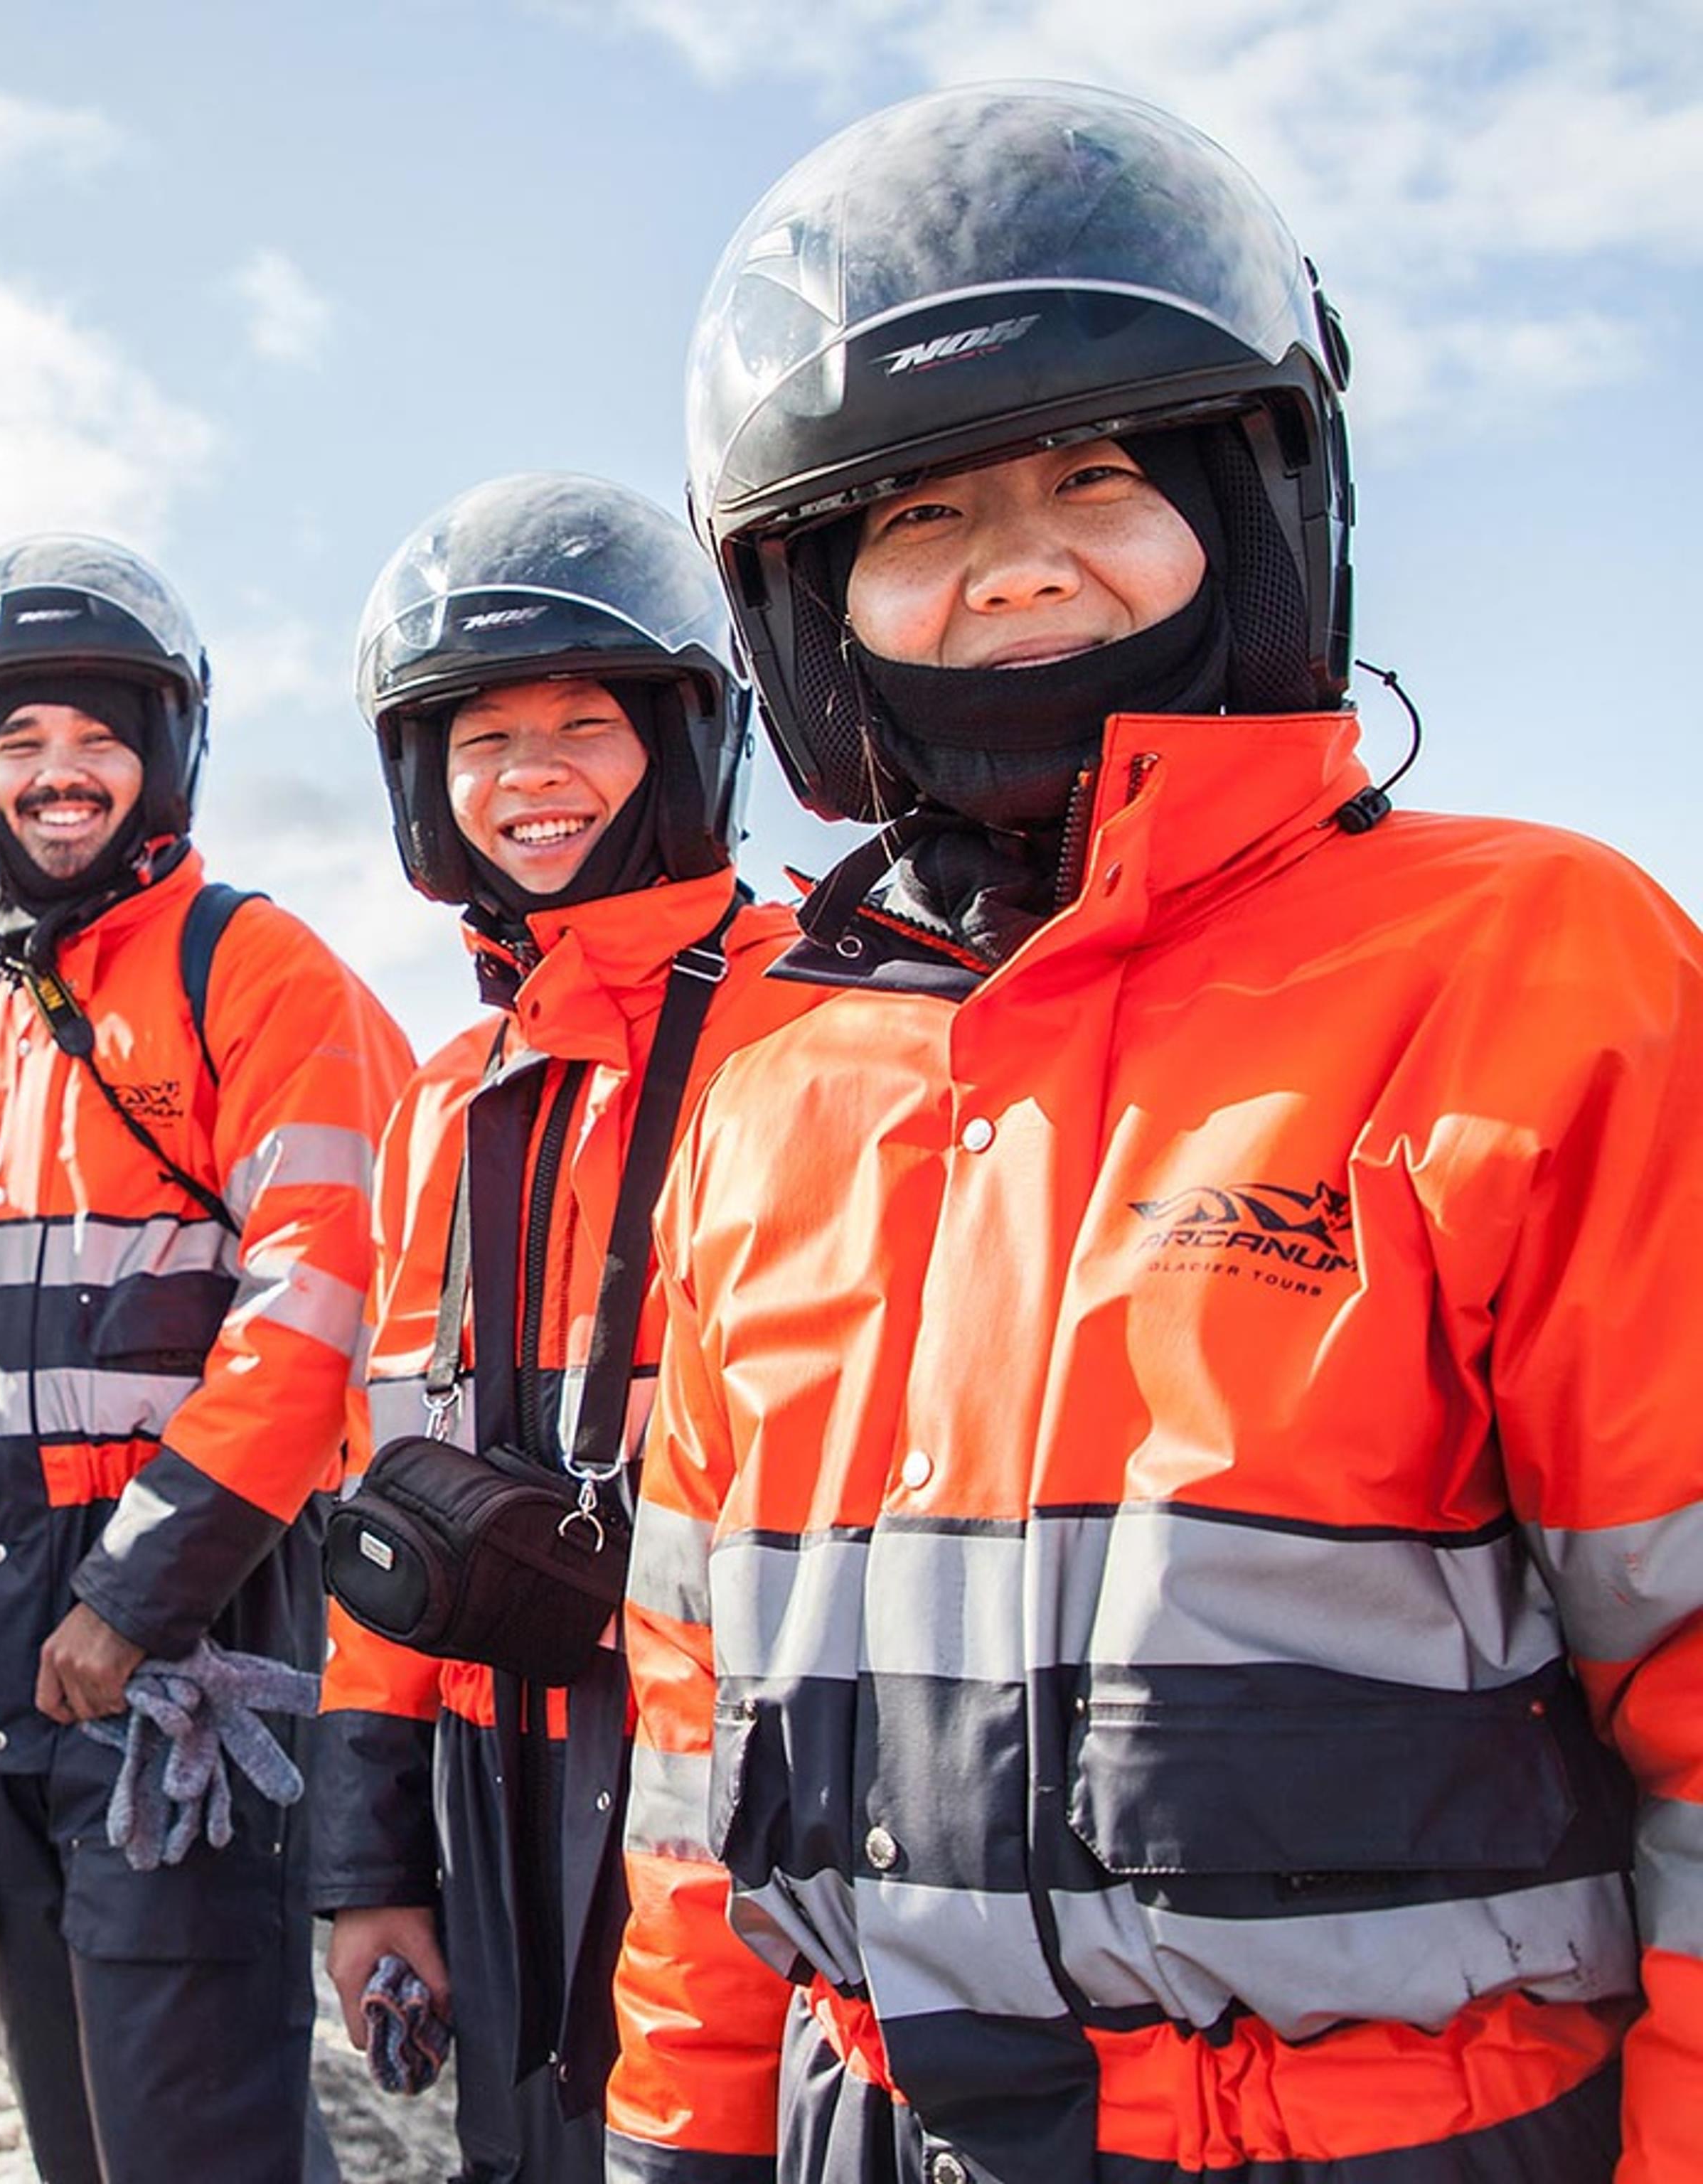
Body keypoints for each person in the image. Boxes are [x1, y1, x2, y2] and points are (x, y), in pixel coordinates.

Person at [608, 80, 1702, 2183]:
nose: (1016, 566)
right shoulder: (779, 1086)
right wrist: (687, 2126)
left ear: (1259, 496)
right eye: (917, 518)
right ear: (813, 601)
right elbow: (688, 1727)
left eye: (1096, 474)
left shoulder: (1540, 969)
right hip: (864, 2129)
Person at [0, 535, 413, 2184]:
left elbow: (321, 1301)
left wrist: (144, 1590)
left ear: (164, 756)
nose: (58, 776)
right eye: (17, 745)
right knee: (72, 2101)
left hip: (188, 1618)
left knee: (193, 2109)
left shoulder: (261, 970)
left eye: (95, 739)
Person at [314, 473, 815, 2182]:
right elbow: (395, 1492)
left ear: (687, 742)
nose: (526, 776)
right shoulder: (446, 1103)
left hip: (761, 1799)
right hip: (485, 1785)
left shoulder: (830, 1019)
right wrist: (368, 1861)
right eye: (479, 738)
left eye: (582, 723)